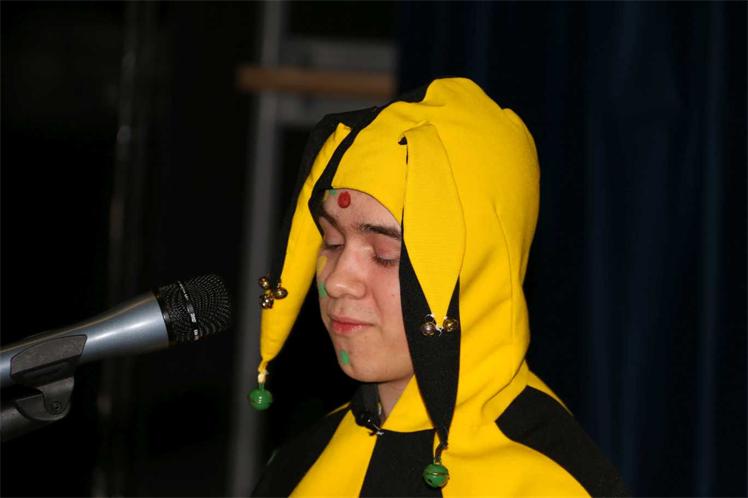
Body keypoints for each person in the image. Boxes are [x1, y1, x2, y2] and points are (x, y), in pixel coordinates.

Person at [249, 78, 628, 496]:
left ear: (478, 270)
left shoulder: (550, 482)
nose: (337, 280)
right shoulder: (302, 461)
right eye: (332, 241)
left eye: (385, 254)